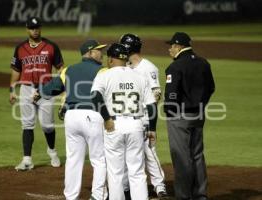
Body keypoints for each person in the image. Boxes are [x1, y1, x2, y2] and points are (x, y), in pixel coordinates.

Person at [35, 39, 108, 200]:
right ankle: (98, 196)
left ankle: (71, 196)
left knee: (73, 159)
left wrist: (39, 92)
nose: (101, 53)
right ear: (89, 53)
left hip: (72, 118)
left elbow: (50, 88)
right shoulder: (102, 71)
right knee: (99, 159)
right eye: (98, 50)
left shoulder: (68, 70)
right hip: (93, 116)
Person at [91, 43, 158, 200]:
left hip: (114, 126)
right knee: (137, 172)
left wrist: (107, 119)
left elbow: (95, 97)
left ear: (110, 59)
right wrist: (152, 129)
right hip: (136, 125)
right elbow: (151, 104)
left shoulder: (104, 75)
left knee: (115, 172)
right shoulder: (139, 76)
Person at [164, 32, 215, 200]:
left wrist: (170, 112)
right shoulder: (203, 63)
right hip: (198, 115)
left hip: (179, 117)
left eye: (171, 46)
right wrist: (201, 105)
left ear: (178, 46)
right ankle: (200, 194)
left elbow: (171, 94)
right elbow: (211, 88)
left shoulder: (175, 67)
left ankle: (184, 196)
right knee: (197, 155)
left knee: (181, 158)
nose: (169, 49)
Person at [9, 17, 63, 171]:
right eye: (32, 28)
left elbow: (60, 69)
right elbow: (15, 71)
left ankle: (52, 151)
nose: (35, 30)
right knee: (27, 124)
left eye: (37, 27)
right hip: (26, 89)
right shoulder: (20, 48)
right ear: (27, 29)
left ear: (41, 28)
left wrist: (54, 86)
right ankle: (27, 160)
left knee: (47, 125)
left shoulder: (51, 46)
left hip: (45, 89)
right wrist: (12, 90)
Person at [120, 33, 168, 199]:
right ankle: (126, 188)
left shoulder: (148, 67)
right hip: (128, 119)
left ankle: (159, 186)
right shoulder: (125, 67)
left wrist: (151, 125)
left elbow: (156, 95)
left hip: (145, 118)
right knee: (127, 156)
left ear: (128, 48)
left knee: (149, 153)